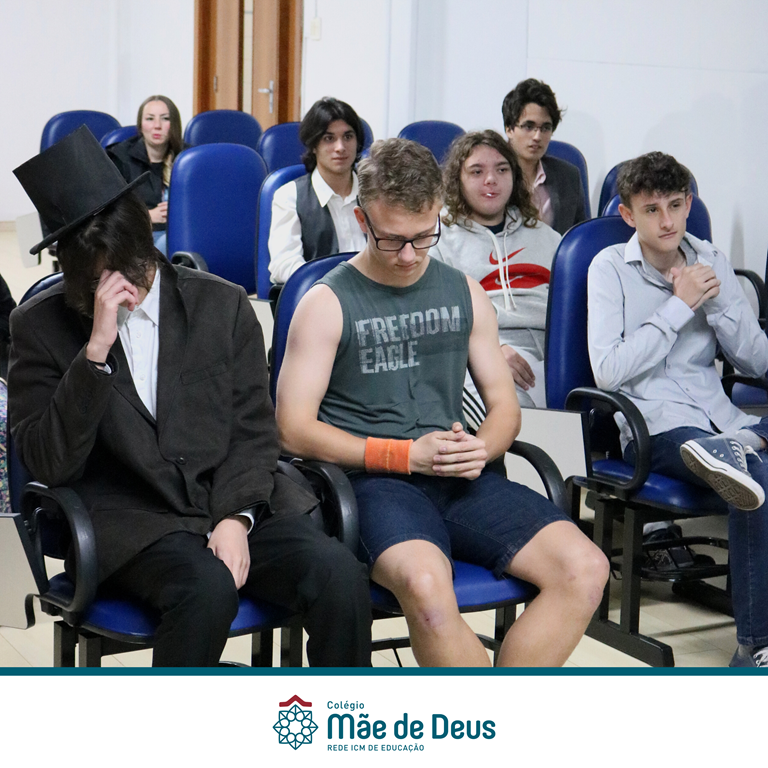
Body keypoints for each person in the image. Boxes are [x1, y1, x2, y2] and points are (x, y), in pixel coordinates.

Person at [9, 126, 371, 667]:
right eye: (94, 278)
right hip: (132, 522)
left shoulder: (221, 305)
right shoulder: (39, 326)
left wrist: (237, 518)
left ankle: (338, 720)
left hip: (229, 498)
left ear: (145, 244)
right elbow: (47, 461)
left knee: (340, 576)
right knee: (206, 590)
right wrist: (95, 353)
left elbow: (252, 430)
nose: (117, 289)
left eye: (127, 270)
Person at [276, 138, 608, 667]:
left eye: (423, 236)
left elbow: (504, 409)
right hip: (370, 484)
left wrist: (482, 448)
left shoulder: (463, 292)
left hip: (459, 477)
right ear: (363, 220)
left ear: (438, 214)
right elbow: (291, 429)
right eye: (392, 240)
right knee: (428, 587)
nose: (409, 255)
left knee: (586, 569)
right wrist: (404, 455)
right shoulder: (327, 302)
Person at [587, 151, 768, 667]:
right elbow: (607, 371)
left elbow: (755, 360)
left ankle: (739, 444)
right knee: (754, 476)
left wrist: (717, 302)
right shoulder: (608, 268)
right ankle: (755, 645)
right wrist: (678, 306)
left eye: (674, 205)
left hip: (719, 418)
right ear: (629, 215)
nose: (666, 221)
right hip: (655, 425)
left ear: (688, 204)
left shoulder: (709, 258)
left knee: (749, 467)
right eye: (651, 210)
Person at [430, 130, 560, 412]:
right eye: (477, 171)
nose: (491, 179)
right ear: (458, 180)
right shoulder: (438, 239)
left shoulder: (549, 238)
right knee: (514, 414)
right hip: (480, 352)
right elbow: (438, 321)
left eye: (502, 169)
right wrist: (490, 350)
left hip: (554, 353)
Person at [268, 97, 367, 285]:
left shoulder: (374, 192)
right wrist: (330, 284)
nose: (340, 147)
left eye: (348, 137)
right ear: (314, 145)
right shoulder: (289, 196)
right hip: (318, 294)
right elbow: (283, 265)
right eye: (329, 138)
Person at [502, 78, 586, 236]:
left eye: (546, 128)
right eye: (528, 126)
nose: (537, 136)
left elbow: (580, 237)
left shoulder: (569, 177)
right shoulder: (492, 177)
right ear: (509, 129)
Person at [108, 95, 186, 255]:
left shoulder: (188, 159)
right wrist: (148, 216)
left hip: (180, 233)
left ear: (174, 124)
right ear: (140, 125)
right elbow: (108, 211)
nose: (157, 126)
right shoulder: (120, 157)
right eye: (150, 119)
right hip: (135, 236)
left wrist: (178, 213)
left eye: (165, 119)